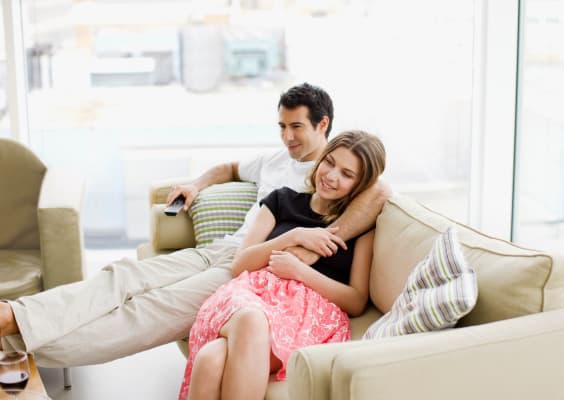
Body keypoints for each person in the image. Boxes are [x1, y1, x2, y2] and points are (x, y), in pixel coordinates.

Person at [0, 83, 390, 367]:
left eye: (297, 127)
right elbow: (228, 169)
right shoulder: (277, 165)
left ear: (323, 125)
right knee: (123, 275)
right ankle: (13, 315)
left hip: (249, 273)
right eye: (282, 127)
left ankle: (16, 342)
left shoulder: (347, 179)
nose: (288, 136)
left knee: (149, 310)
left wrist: (306, 245)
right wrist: (196, 184)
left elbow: (380, 192)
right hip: (224, 248)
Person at [179, 131, 386, 400]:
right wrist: (294, 236)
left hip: (307, 315)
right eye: (330, 162)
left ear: (361, 184)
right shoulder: (282, 201)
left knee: (211, 359)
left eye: (347, 174)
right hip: (251, 295)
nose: (332, 176)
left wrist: (300, 271)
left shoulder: (359, 227)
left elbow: (357, 301)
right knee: (250, 320)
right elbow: (241, 263)